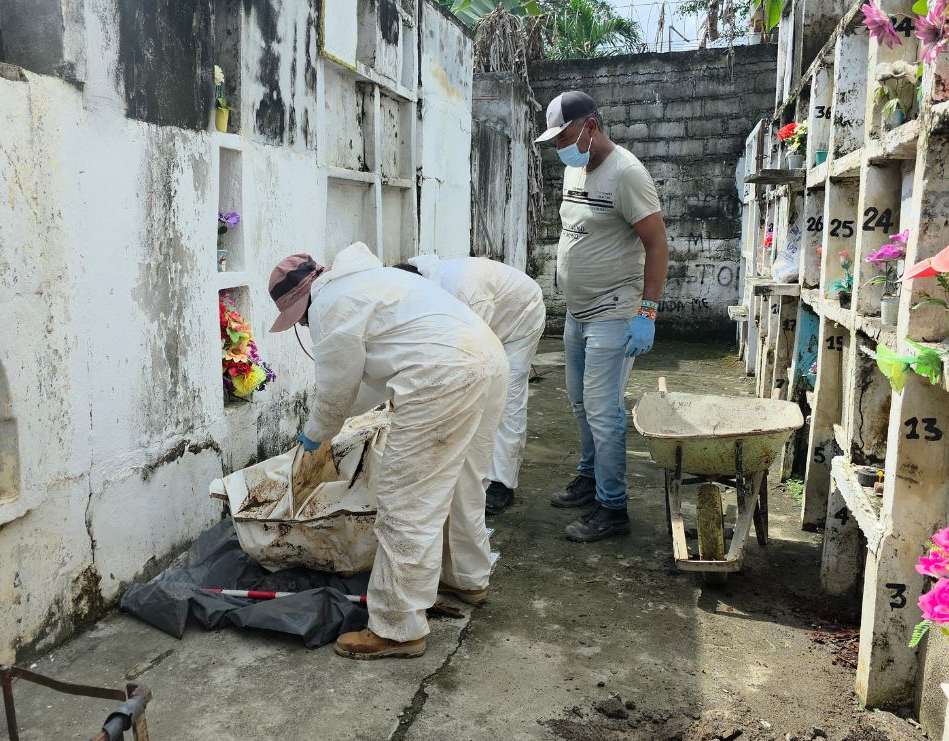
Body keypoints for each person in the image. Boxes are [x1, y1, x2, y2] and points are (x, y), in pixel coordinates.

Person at [266, 243, 507, 660]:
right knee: (463, 481)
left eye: (298, 318)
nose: (303, 325)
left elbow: (336, 393)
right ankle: (466, 577)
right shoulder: (371, 282)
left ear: (302, 301)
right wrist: (327, 427)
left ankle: (397, 627)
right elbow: (369, 380)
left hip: (443, 376)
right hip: (487, 358)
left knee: (406, 499)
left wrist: (315, 434)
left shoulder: (330, 307)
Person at [534, 90, 669, 543]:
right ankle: (589, 478)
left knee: (603, 410)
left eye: (564, 136)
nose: (559, 148)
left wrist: (646, 312)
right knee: (579, 403)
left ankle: (613, 509)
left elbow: (657, 245)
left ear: (590, 126)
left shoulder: (627, 174)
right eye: (553, 140)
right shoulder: (576, 167)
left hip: (614, 309)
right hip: (578, 312)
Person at [396, 255, 546, 515]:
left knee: (504, 399)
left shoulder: (464, 294)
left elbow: (471, 354)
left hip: (520, 317)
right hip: (489, 311)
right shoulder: (420, 289)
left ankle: (501, 483)